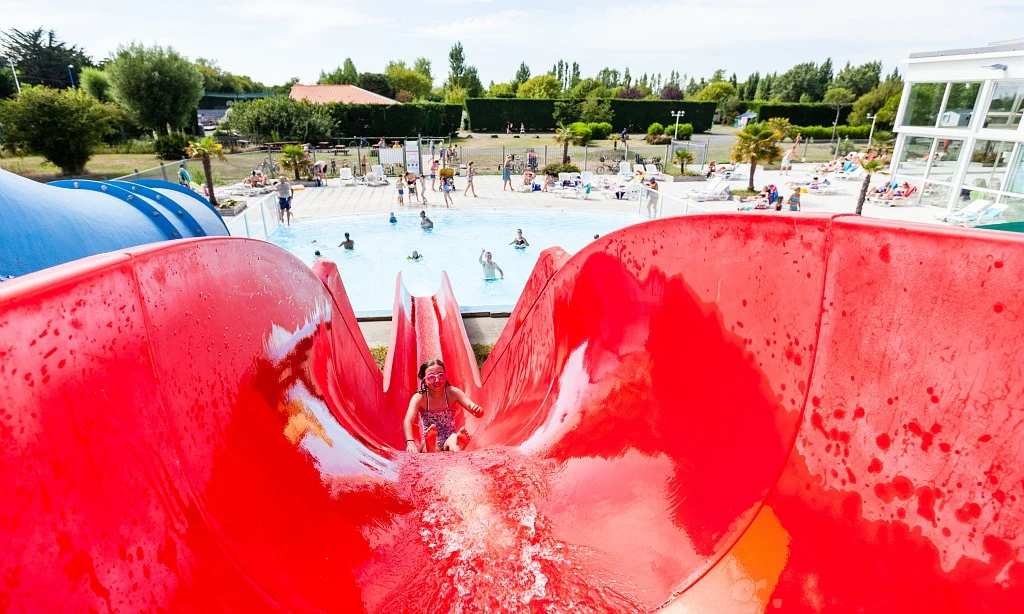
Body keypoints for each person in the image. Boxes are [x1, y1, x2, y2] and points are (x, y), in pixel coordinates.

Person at [403, 359, 484, 453]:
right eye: (431, 377)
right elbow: (407, 421)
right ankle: (432, 446)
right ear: (424, 381)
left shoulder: (452, 393)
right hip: (429, 437)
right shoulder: (420, 397)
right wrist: (410, 442)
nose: (437, 380)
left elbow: (477, 413)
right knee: (426, 444)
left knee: (453, 438)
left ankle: (457, 446)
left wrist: (478, 410)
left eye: (441, 375)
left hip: (449, 436)